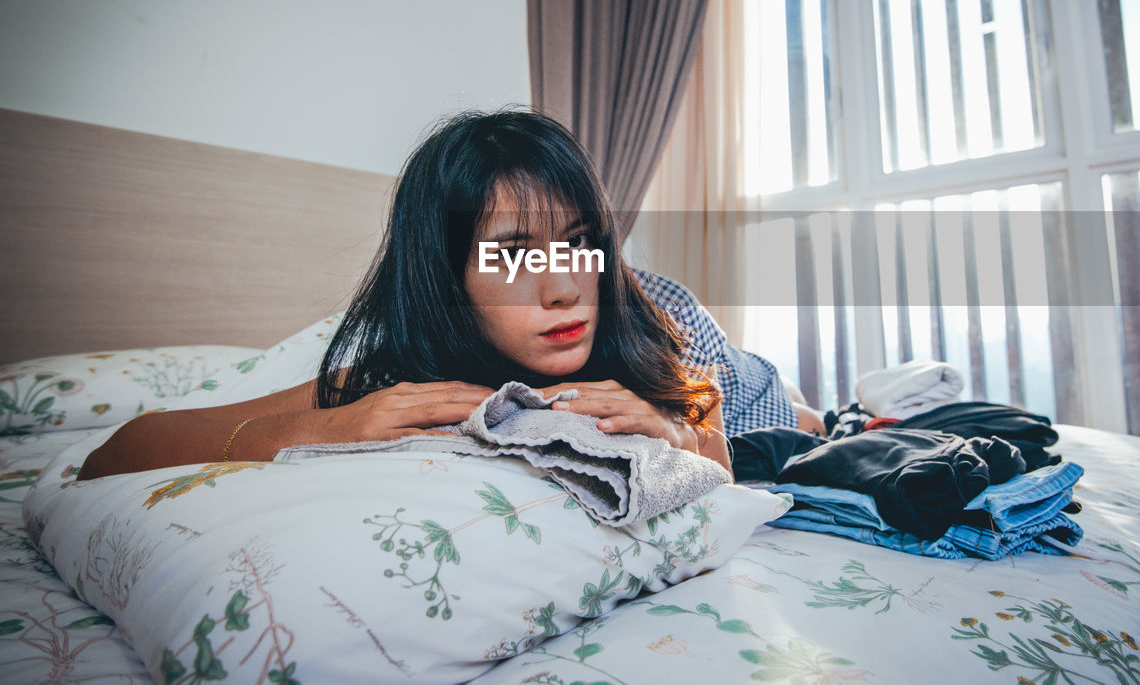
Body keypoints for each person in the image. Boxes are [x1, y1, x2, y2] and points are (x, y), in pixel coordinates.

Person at [78, 108, 739, 481]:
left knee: (794, 418)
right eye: (511, 254)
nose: (564, 287)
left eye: (578, 241)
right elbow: (116, 452)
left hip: (725, 372)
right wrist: (321, 426)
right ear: (445, 278)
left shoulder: (638, 346)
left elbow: (719, 455)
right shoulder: (394, 382)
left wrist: (677, 436)